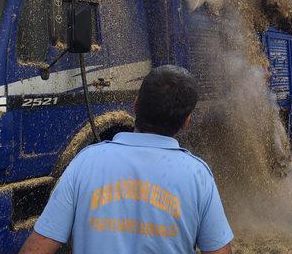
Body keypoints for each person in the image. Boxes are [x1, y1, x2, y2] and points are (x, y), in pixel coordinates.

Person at [19, 65, 234, 254]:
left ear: (136, 105)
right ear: (187, 121)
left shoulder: (85, 163)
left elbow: (38, 247)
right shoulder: (197, 176)